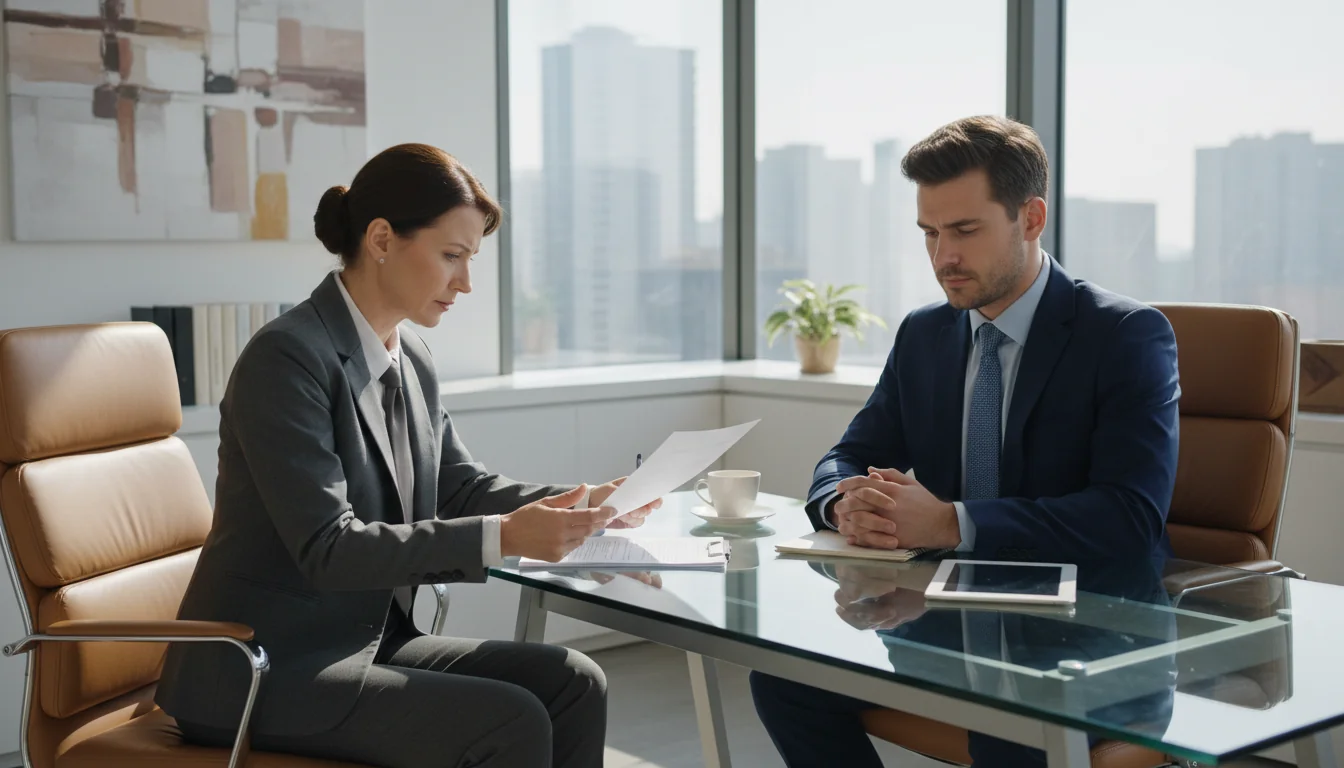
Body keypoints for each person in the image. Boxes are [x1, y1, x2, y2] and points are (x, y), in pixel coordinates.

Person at [156, 143, 660, 768]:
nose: (466, 282)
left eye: (470, 260)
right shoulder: (287, 359)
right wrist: (505, 537)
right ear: (381, 239)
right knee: (511, 721)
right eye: (452, 256)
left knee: (572, 680)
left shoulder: (410, 355)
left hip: (365, 642)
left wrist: (583, 504)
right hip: (265, 670)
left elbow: (459, 485)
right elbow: (328, 547)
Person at [750, 115, 1180, 766]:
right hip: (945, 627)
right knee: (784, 678)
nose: (943, 256)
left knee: (1010, 728)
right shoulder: (926, 335)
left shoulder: (1124, 336)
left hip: (1088, 644)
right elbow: (848, 454)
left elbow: (1130, 518)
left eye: (965, 230)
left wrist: (953, 523)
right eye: (930, 233)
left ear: (1030, 218)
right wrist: (844, 503)